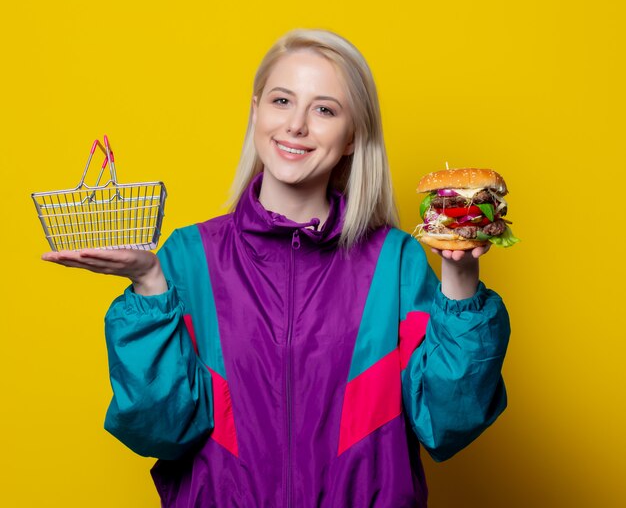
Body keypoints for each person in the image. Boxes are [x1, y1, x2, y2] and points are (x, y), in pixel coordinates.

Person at [42, 29, 510, 507]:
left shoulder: (395, 261)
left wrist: (459, 283)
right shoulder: (188, 255)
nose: (296, 126)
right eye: (282, 100)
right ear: (255, 111)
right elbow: (160, 432)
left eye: (325, 109)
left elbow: (448, 423)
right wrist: (148, 287)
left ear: (352, 138)